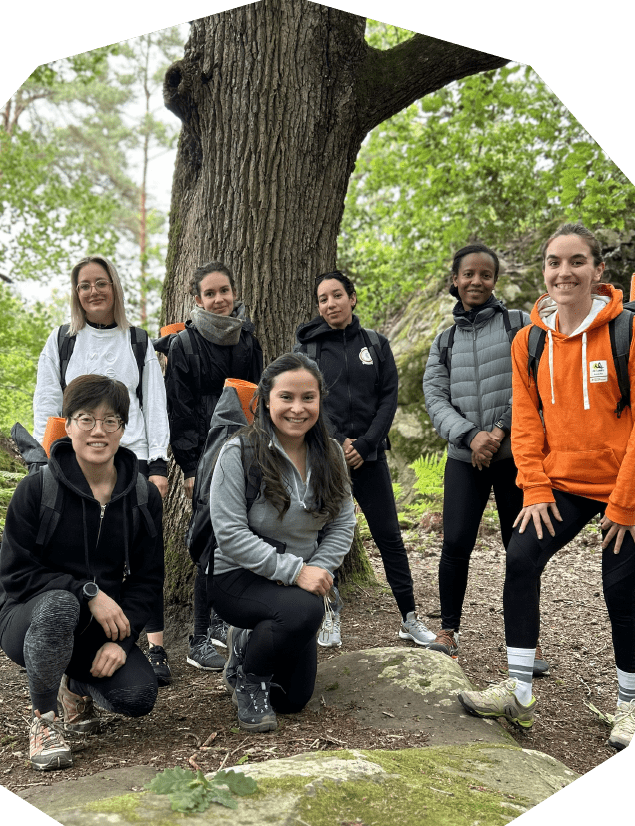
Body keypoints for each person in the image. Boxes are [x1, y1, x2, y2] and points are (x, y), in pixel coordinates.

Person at [458, 224, 635, 750]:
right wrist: (534, 488)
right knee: (520, 558)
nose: (564, 272)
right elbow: (527, 423)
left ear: (598, 271)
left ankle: (629, 706)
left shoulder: (632, 333)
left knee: (620, 591)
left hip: (632, 484)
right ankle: (519, 691)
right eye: (554, 262)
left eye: (577, 262)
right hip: (564, 482)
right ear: (544, 271)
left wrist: (625, 504)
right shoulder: (529, 341)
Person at [0, 375, 165, 770]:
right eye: (86, 419)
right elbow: (16, 574)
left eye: (110, 421)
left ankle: (72, 685)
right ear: (68, 425)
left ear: (123, 429)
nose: (98, 431)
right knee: (60, 605)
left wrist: (124, 642)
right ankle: (43, 720)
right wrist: (88, 592)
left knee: (137, 697)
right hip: (29, 618)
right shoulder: (37, 490)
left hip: (97, 631)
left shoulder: (142, 496)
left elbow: (148, 579)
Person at [32, 255, 173, 687]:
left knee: (143, 553)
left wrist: (158, 464)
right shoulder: (63, 341)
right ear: (76, 293)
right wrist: (48, 461)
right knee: (82, 551)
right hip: (75, 464)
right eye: (84, 285)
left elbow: (154, 404)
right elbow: (48, 402)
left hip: (132, 462)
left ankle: (153, 645)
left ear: (114, 287)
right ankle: (76, 646)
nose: (93, 291)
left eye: (101, 282)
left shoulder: (137, 341)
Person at [209, 353, 356, 732]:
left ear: (320, 400)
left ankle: (249, 645)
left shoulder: (332, 454)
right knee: (305, 610)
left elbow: (343, 524)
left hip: (298, 584)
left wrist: (318, 569)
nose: (297, 408)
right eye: (286, 397)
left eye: (308, 397)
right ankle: (249, 681)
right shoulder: (239, 452)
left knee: (292, 699)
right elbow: (229, 534)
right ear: (266, 400)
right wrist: (298, 573)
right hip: (238, 577)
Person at [295, 270, 437, 648]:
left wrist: (367, 443)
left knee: (389, 537)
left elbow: (389, 396)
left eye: (337, 295)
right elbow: (308, 400)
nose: (330, 304)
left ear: (352, 298)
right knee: (323, 539)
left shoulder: (375, 344)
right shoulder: (308, 350)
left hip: (370, 458)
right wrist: (339, 442)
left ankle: (409, 618)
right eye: (323, 299)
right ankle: (329, 615)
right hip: (326, 460)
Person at [423, 244, 544, 668]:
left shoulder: (519, 324)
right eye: (468, 274)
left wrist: (498, 431)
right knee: (455, 543)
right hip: (464, 457)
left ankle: (527, 642)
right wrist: (471, 436)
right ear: (455, 280)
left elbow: (535, 380)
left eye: (485, 274)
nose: (476, 281)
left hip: (515, 455)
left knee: (521, 548)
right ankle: (448, 630)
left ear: (495, 280)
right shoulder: (444, 341)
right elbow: (435, 398)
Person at [165, 261, 264, 670]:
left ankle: (226, 620)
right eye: (210, 293)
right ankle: (199, 636)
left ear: (234, 293)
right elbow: (179, 411)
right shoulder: (183, 345)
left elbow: (258, 400)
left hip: (243, 454)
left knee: (239, 535)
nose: (219, 299)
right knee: (208, 539)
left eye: (224, 291)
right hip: (205, 460)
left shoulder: (248, 341)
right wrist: (190, 468)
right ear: (198, 299)